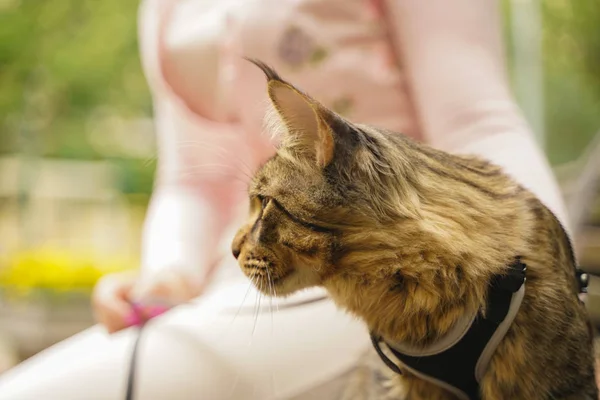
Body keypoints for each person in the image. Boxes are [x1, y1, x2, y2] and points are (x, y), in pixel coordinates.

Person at [0, 0, 575, 399]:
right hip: (265, 276)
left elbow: (479, 119)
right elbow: (193, 180)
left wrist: (551, 285)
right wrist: (167, 273)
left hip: (394, 278)